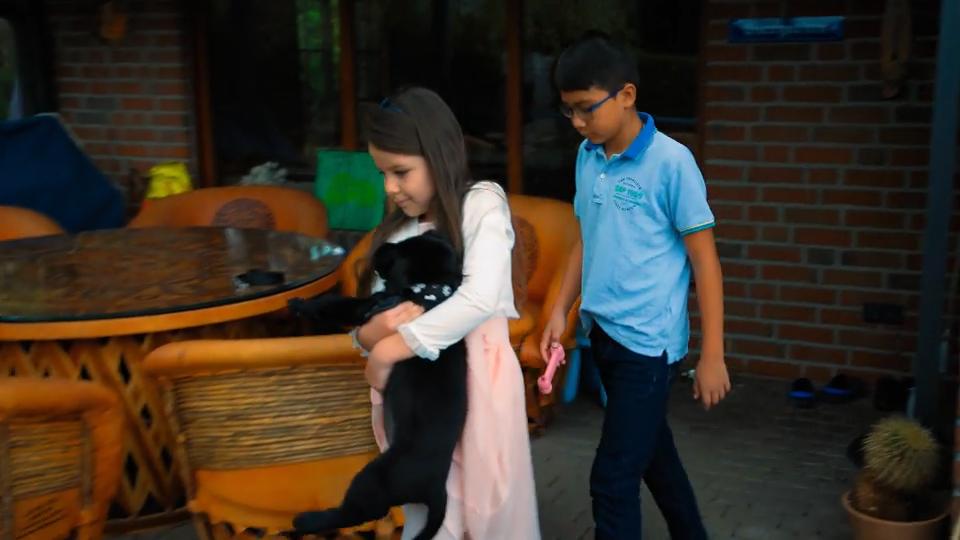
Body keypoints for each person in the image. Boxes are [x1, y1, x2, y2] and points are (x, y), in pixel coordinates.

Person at [540, 33, 731, 539]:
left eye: (586, 108)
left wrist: (712, 355)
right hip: (602, 334)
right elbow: (585, 238)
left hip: (648, 346)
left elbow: (705, 262)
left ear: (626, 95)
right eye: (568, 110)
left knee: (613, 479)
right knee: (653, 454)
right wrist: (559, 309)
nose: (577, 122)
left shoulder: (672, 162)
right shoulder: (587, 156)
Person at [352, 86, 540, 540]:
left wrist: (391, 348)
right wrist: (371, 336)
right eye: (383, 174)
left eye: (401, 172)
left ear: (439, 155)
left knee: (490, 514)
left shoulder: (481, 203)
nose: (389, 187)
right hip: (415, 402)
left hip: (480, 390)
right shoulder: (396, 232)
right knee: (431, 515)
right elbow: (370, 323)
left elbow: (480, 297)